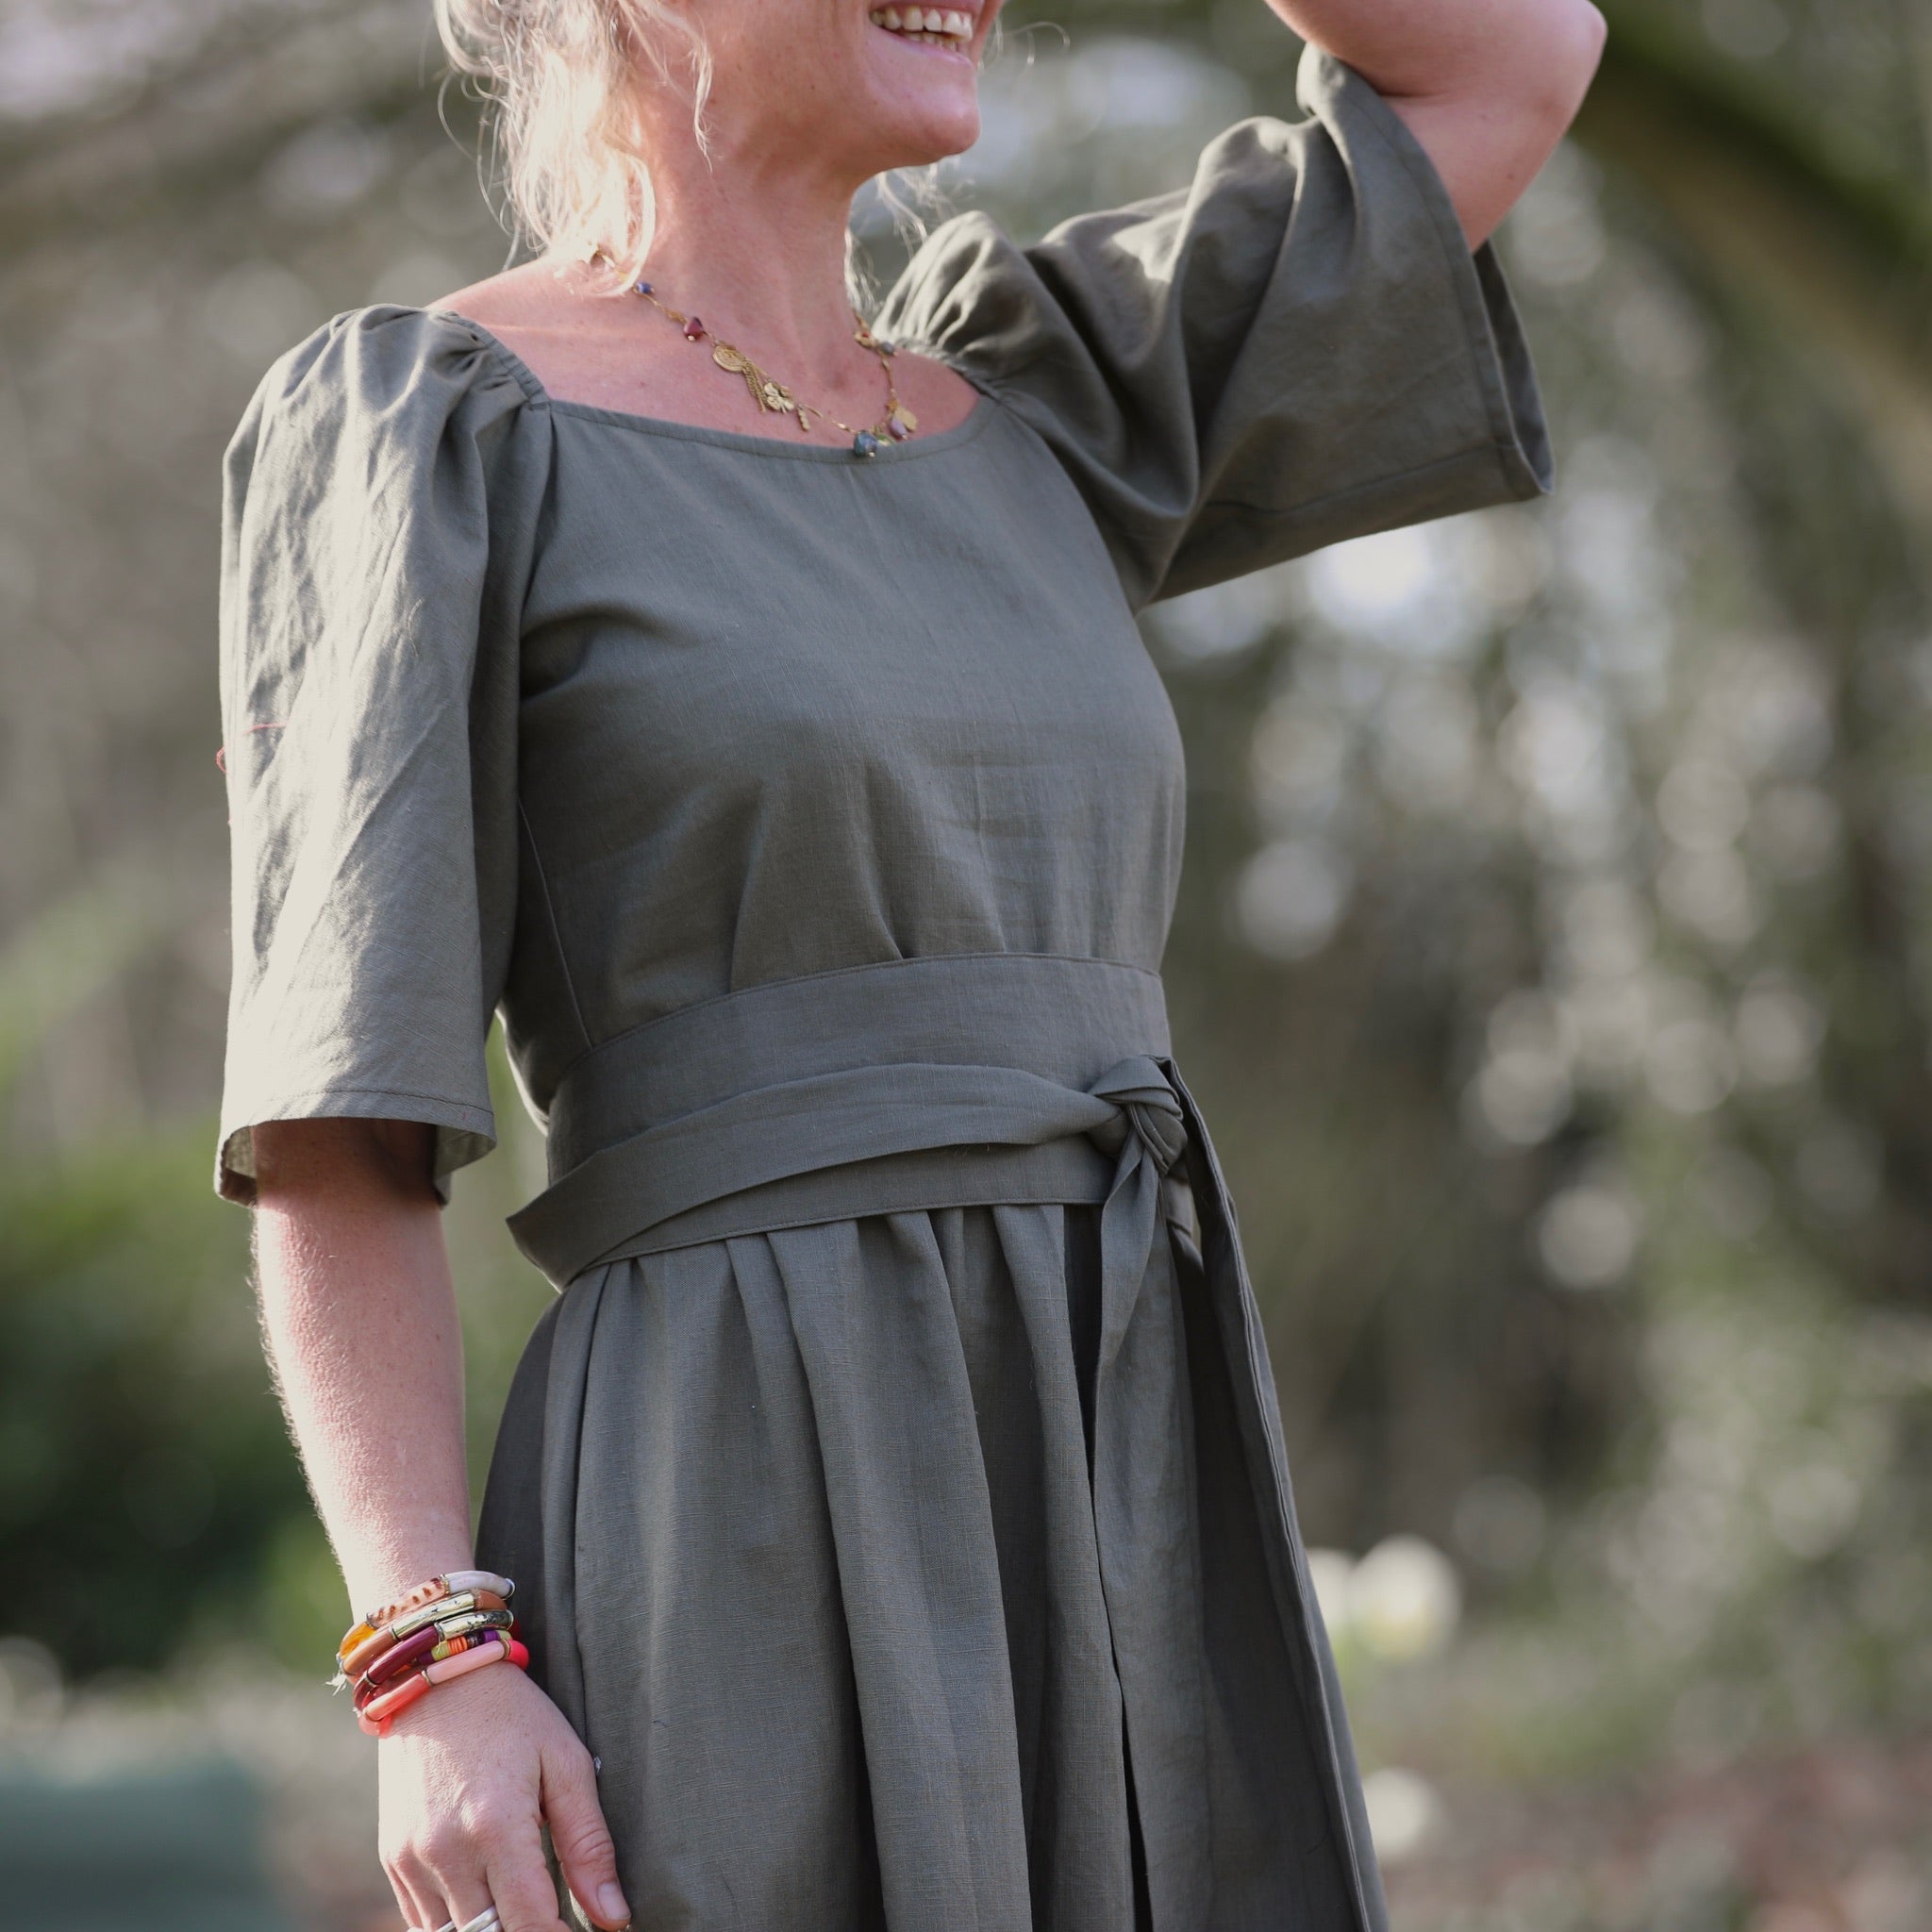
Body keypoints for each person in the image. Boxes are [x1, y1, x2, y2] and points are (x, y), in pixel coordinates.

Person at [218, 0, 1603, 1926]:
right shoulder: (430, 427)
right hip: (740, 1489)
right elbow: (335, 1122)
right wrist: (429, 1659)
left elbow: (1513, 63)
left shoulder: (1050, 397)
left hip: (1126, 1460)